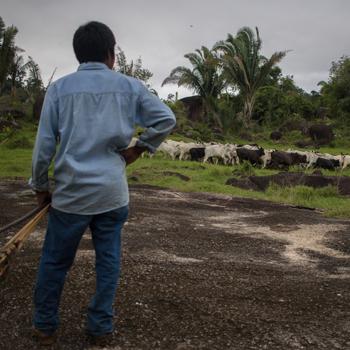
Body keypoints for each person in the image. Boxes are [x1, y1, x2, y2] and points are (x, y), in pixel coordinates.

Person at [29, 21, 176, 346]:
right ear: (112, 55)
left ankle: (44, 326)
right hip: (112, 196)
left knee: (54, 261)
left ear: (78, 54)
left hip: (70, 198)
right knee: (108, 261)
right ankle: (99, 327)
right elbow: (167, 119)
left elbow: (43, 147)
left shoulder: (60, 89)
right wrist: (140, 148)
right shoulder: (130, 87)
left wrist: (40, 187)